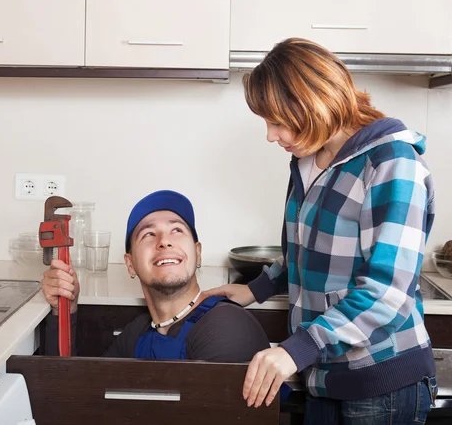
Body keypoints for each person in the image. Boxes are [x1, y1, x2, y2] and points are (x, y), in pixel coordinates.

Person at [206, 38, 438, 423]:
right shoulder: (307, 160)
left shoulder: (392, 163)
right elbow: (308, 248)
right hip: (323, 375)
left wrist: (297, 349)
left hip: (381, 385)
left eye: (277, 122)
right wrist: (256, 288)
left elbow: (387, 294)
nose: (269, 135)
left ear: (315, 104)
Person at [42, 189, 270, 362]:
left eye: (177, 230)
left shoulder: (226, 327)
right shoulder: (138, 334)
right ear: (130, 264)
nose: (164, 241)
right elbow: (78, 392)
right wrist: (64, 310)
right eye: (149, 234)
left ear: (197, 253)